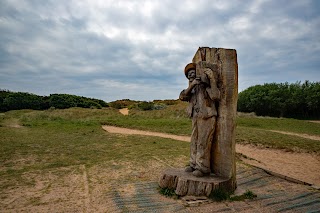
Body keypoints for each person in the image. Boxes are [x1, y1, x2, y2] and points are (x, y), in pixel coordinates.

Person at [179, 62, 220, 177]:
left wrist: (212, 79)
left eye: (193, 73)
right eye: (189, 75)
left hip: (207, 116)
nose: (191, 76)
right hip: (196, 117)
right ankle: (193, 164)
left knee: (203, 142)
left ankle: (202, 167)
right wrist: (192, 85)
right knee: (194, 141)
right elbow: (182, 96)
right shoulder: (192, 90)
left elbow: (216, 96)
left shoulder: (206, 87)